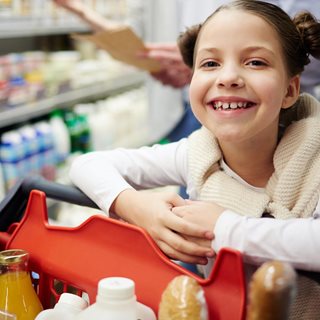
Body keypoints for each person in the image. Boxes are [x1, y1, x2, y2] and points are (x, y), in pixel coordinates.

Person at [70, 1, 320, 317]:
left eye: (255, 62)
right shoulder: (196, 153)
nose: (228, 77)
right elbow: (86, 165)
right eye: (210, 63)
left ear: (290, 89)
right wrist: (134, 206)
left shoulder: (315, 159)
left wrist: (225, 228)